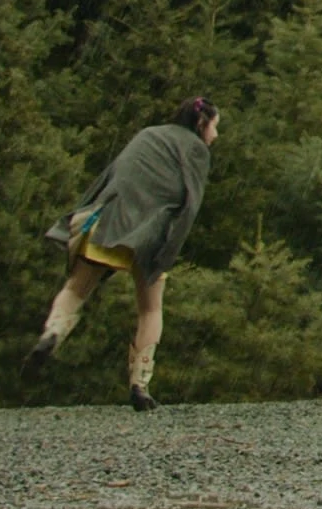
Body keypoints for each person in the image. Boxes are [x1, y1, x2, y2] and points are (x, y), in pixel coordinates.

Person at [28, 96, 219, 409]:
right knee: (150, 310)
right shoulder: (196, 149)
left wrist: (85, 213)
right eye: (215, 127)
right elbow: (189, 205)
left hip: (108, 221)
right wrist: (168, 250)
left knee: (76, 288)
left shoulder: (147, 134)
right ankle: (140, 384)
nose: (216, 135)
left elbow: (111, 176)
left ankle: (53, 332)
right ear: (202, 124)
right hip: (149, 235)